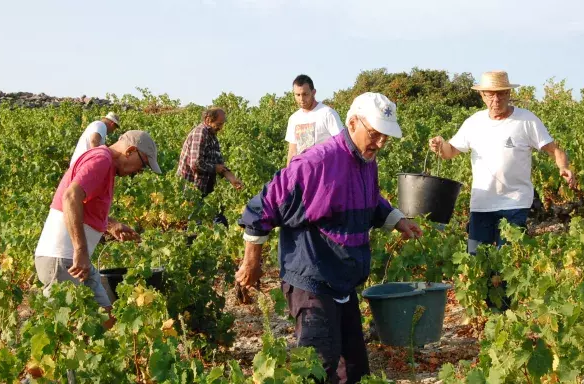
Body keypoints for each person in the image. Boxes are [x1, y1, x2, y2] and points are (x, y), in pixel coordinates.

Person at [236, 92, 423, 384]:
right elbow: (260, 208)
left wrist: (398, 220)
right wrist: (251, 264)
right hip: (312, 278)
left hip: (343, 278)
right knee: (318, 366)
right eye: (375, 134)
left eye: (386, 136)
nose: (381, 143)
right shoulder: (315, 165)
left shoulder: (365, 160)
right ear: (352, 123)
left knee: (355, 369)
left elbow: (370, 200)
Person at [428, 71, 577, 309]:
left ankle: (505, 314)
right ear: (483, 96)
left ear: (509, 94)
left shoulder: (527, 121)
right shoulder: (473, 123)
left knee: (506, 262)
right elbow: (450, 152)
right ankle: (490, 313)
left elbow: (554, 150)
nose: (495, 100)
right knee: (479, 260)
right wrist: (439, 146)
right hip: (482, 203)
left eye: (500, 94)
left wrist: (564, 168)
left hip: (515, 202)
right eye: (490, 95)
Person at [34, 130, 161, 328]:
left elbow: (84, 205)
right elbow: (70, 197)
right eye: (143, 165)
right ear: (131, 151)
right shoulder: (101, 160)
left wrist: (110, 225)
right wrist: (81, 251)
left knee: (106, 318)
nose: (139, 172)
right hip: (63, 259)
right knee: (63, 333)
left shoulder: (106, 164)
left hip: (75, 262)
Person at [177, 107, 243, 227]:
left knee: (218, 219)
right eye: (218, 124)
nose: (221, 127)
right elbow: (195, 164)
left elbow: (219, 163)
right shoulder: (200, 133)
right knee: (195, 224)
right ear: (208, 120)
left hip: (205, 187)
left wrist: (232, 178)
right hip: (192, 188)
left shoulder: (212, 135)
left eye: (222, 124)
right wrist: (215, 168)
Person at [285, 74, 345, 166]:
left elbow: (342, 145)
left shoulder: (327, 113)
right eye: (298, 95)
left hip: (325, 174)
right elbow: (292, 152)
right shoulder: (294, 119)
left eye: (305, 94)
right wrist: (289, 176)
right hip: (303, 174)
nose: (301, 99)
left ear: (313, 92)